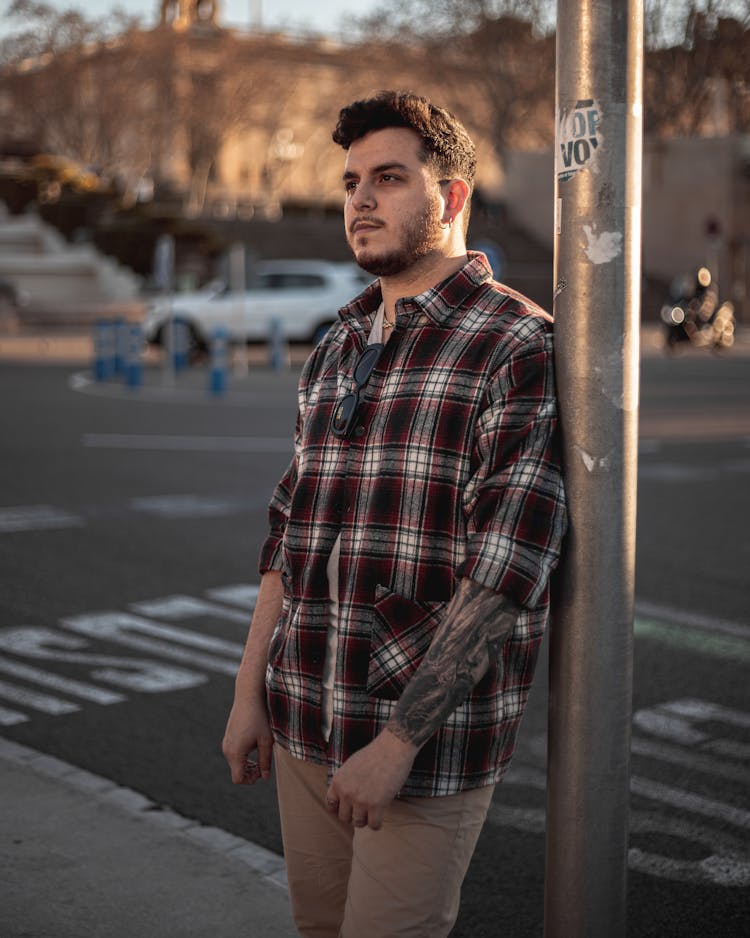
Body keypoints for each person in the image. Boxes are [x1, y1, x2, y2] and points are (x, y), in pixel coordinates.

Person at [223, 90, 567, 937]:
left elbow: (508, 566)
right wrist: (248, 691)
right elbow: (290, 528)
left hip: (423, 749)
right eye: (349, 182)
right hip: (304, 710)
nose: (360, 201)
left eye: (387, 178)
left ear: (450, 198)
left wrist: (399, 744)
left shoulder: (515, 342)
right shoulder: (340, 341)